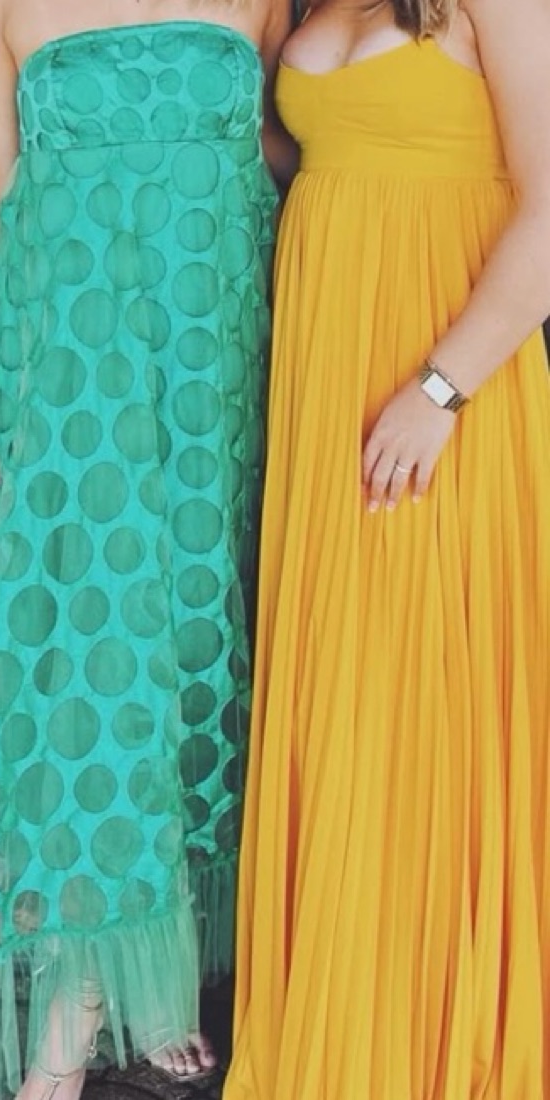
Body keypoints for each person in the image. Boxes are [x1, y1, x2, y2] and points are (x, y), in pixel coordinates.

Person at [0, 2, 290, 1098]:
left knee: (193, 640)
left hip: (214, 358)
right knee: (98, 644)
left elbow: (282, 151)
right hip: (72, 366)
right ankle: (72, 1023)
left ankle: (157, 970)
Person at [227, 0, 550, 1096]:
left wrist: (440, 389)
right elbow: (295, 151)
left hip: (445, 384)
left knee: (425, 691)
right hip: (325, 381)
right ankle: (340, 1005)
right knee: (342, 685)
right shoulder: (309, 4)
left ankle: (424, 1036)